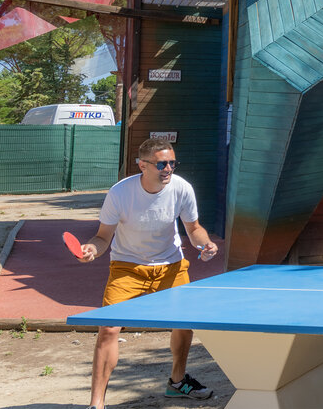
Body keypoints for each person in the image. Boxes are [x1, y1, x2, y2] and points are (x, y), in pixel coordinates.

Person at [77, 138, 219, 409]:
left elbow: (194, 228)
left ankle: (177, 383)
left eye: (172, 163)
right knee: (108, 328)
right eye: (162, 164)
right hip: (127, 268)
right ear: (143, 165)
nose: (168, 169)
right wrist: (91, 250)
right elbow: (102, 237)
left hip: (171, 266)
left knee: (184, 322)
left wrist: (205, 243)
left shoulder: (182, 188)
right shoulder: (120, 193)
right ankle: (97, 404)